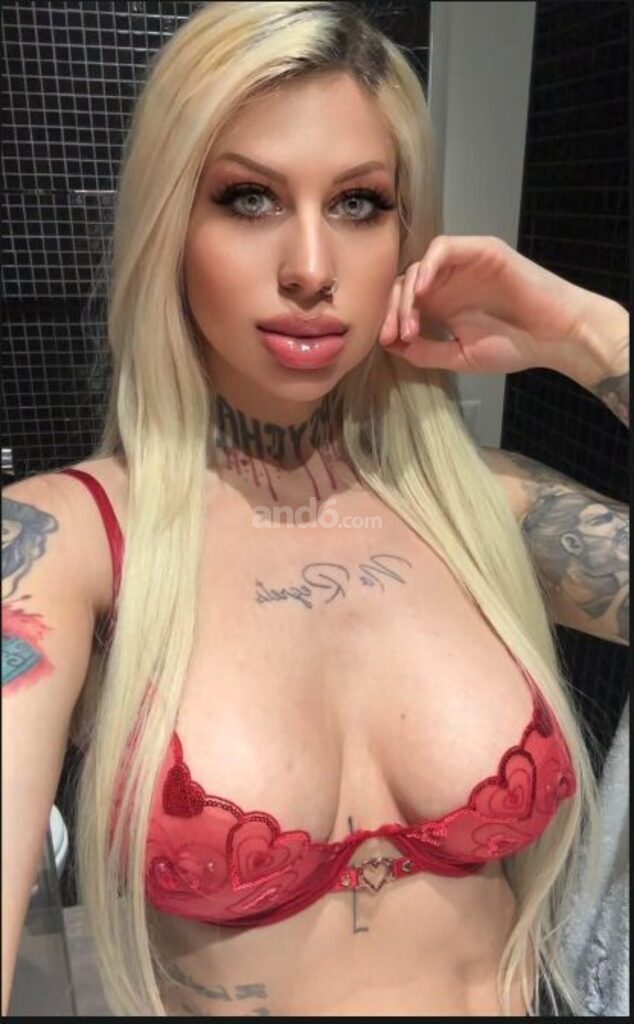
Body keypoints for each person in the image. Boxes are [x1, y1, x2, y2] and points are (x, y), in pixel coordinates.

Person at [2, 1, 629, 1017]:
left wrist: (592, 339)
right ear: (172, 225)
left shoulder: (484, 508)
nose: (309, 266)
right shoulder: (63, 548)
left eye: (358, 204)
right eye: (249, 198)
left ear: (405, 234)